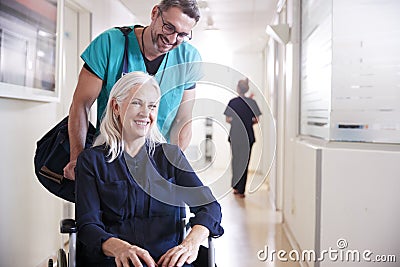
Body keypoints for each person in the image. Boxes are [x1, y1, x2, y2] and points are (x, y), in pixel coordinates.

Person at [75, 72, 223, 267]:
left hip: (168, 261)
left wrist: (191, 243)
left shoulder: (171, 157)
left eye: (152, 106)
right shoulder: (91, 161)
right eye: (137, 103)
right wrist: (121, 249)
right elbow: (88, 225)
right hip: (115, 261)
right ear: (116, 107)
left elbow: (209, 206)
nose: (146, 113)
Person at [64, 0, 202, 180]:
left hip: (157, 165)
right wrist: (77, 159)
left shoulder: (188, 57)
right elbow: (80, 105)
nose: (173, 39)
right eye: (169, 27)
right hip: (110, 160)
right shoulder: (110, 44)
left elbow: (183, 119)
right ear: (155, 14)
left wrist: (170, 166)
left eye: (183, 34)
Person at [223, 78, 262, 198]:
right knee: (245, 162)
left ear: (238, 88)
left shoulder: (233, 102)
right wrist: (248, 122)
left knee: (236, 160)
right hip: (248, 136)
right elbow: (256, 119)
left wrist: (236, 121)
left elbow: (227, 119)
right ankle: (241, 190)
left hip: (235, 135)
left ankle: (235, 186)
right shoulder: (252, 102)